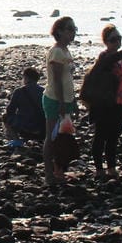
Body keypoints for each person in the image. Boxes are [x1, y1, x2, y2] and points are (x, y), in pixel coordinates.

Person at [87, 25, 122, 179]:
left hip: (121, 102)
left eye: (119, 39)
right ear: (106, 41)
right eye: (113, 39)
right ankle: (99, 169)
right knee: (100, 136)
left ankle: (111, 167)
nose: (117, 42)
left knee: (113, 136)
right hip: (105, 103)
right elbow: (112, 58)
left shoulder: (121, 59)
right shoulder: (105, 57)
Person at [42, 16, 78, 185]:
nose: (73, 32)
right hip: (55, 99)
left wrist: (73, 100)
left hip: (66, 99)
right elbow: (56, 80)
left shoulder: (66, 51)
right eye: (70, 29)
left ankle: (59, 171)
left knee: (64, 137)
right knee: (51, 137)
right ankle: (49, 175)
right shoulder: (56, 51)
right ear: (60, 31)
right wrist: (62, 102)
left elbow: (68, 77)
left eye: (74, 29)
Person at [3, 67, 46, 148]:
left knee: (5, 116)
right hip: (43, 127)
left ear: (26, 77)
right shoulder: (44, 91)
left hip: (25, 126)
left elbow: (10, 110)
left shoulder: (19, 91)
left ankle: (17, 140)